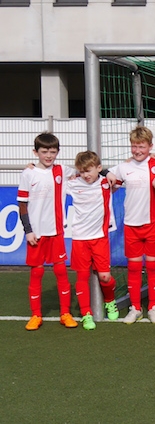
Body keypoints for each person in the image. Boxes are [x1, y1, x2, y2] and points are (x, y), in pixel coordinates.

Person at [18, 132, 78, 331]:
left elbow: (88, 167)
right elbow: (22, 204)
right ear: (35, 152)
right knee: (37, 272)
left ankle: (65, 313)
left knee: (61, 271)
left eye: (53, 152)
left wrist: (107, 171)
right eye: (44, 152)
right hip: (36, 233)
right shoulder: (28, 173)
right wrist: (28, 230)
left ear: (57, 152)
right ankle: (36, 315)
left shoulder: (62, 170)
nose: (49, 156)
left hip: (56, 232)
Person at [110, 126, 155, 325]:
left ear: (150, 146)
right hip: (131, 224)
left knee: (152, 266)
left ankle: (153, 307)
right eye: (134, 146)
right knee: (134, 268)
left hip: (153, 223)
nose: (137, 151)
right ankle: (136, 308)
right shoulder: (123, 167)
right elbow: (109, 180)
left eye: (141, 146)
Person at [66, 151, 119, 330]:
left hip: (99, 237)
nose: (85, 175)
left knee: (105, 277)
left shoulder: (106, 183)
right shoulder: (72, 184)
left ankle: (110, 301)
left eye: (89, 171)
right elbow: (53, 177)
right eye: (82, 171)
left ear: (98, 168)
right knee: (82, 277)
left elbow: (127, 173)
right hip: (79, 238)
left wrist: (107, 172)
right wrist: (32, 167)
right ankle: (86, 313)